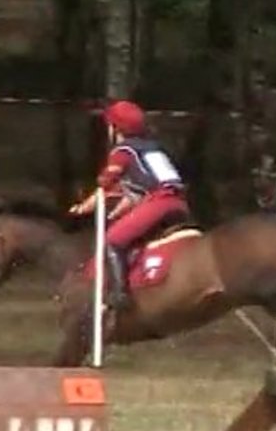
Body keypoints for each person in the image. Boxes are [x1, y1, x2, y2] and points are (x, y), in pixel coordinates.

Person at [69, 100, 190, 308]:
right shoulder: (153, 148)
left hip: (159, 202)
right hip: (179, 203)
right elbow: (133, 193)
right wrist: (114, 214)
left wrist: (82, 208)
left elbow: (105, 186)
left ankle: (120, 295)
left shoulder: (123, 151)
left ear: (115, 128)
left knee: (112, 240)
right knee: (129, 235)